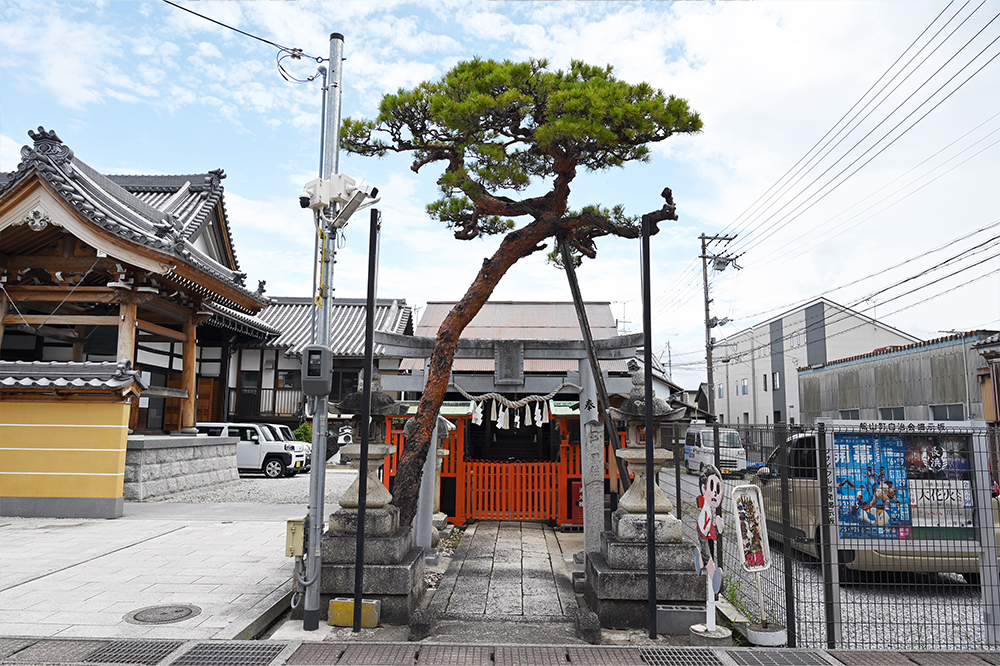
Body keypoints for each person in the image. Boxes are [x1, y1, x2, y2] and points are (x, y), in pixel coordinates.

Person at [696, 464, 725, 594]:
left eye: (718, 488)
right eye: (712, 487)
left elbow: (713, 530)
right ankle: (714, 582)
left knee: (706, 555)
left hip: (707, 531)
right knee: (709, 559)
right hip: (703, 531)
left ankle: (700, 560)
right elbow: (705, 527)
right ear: (704, 488)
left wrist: (718, 527)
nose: (715, 493)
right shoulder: (706, 510)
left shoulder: (709, 510)